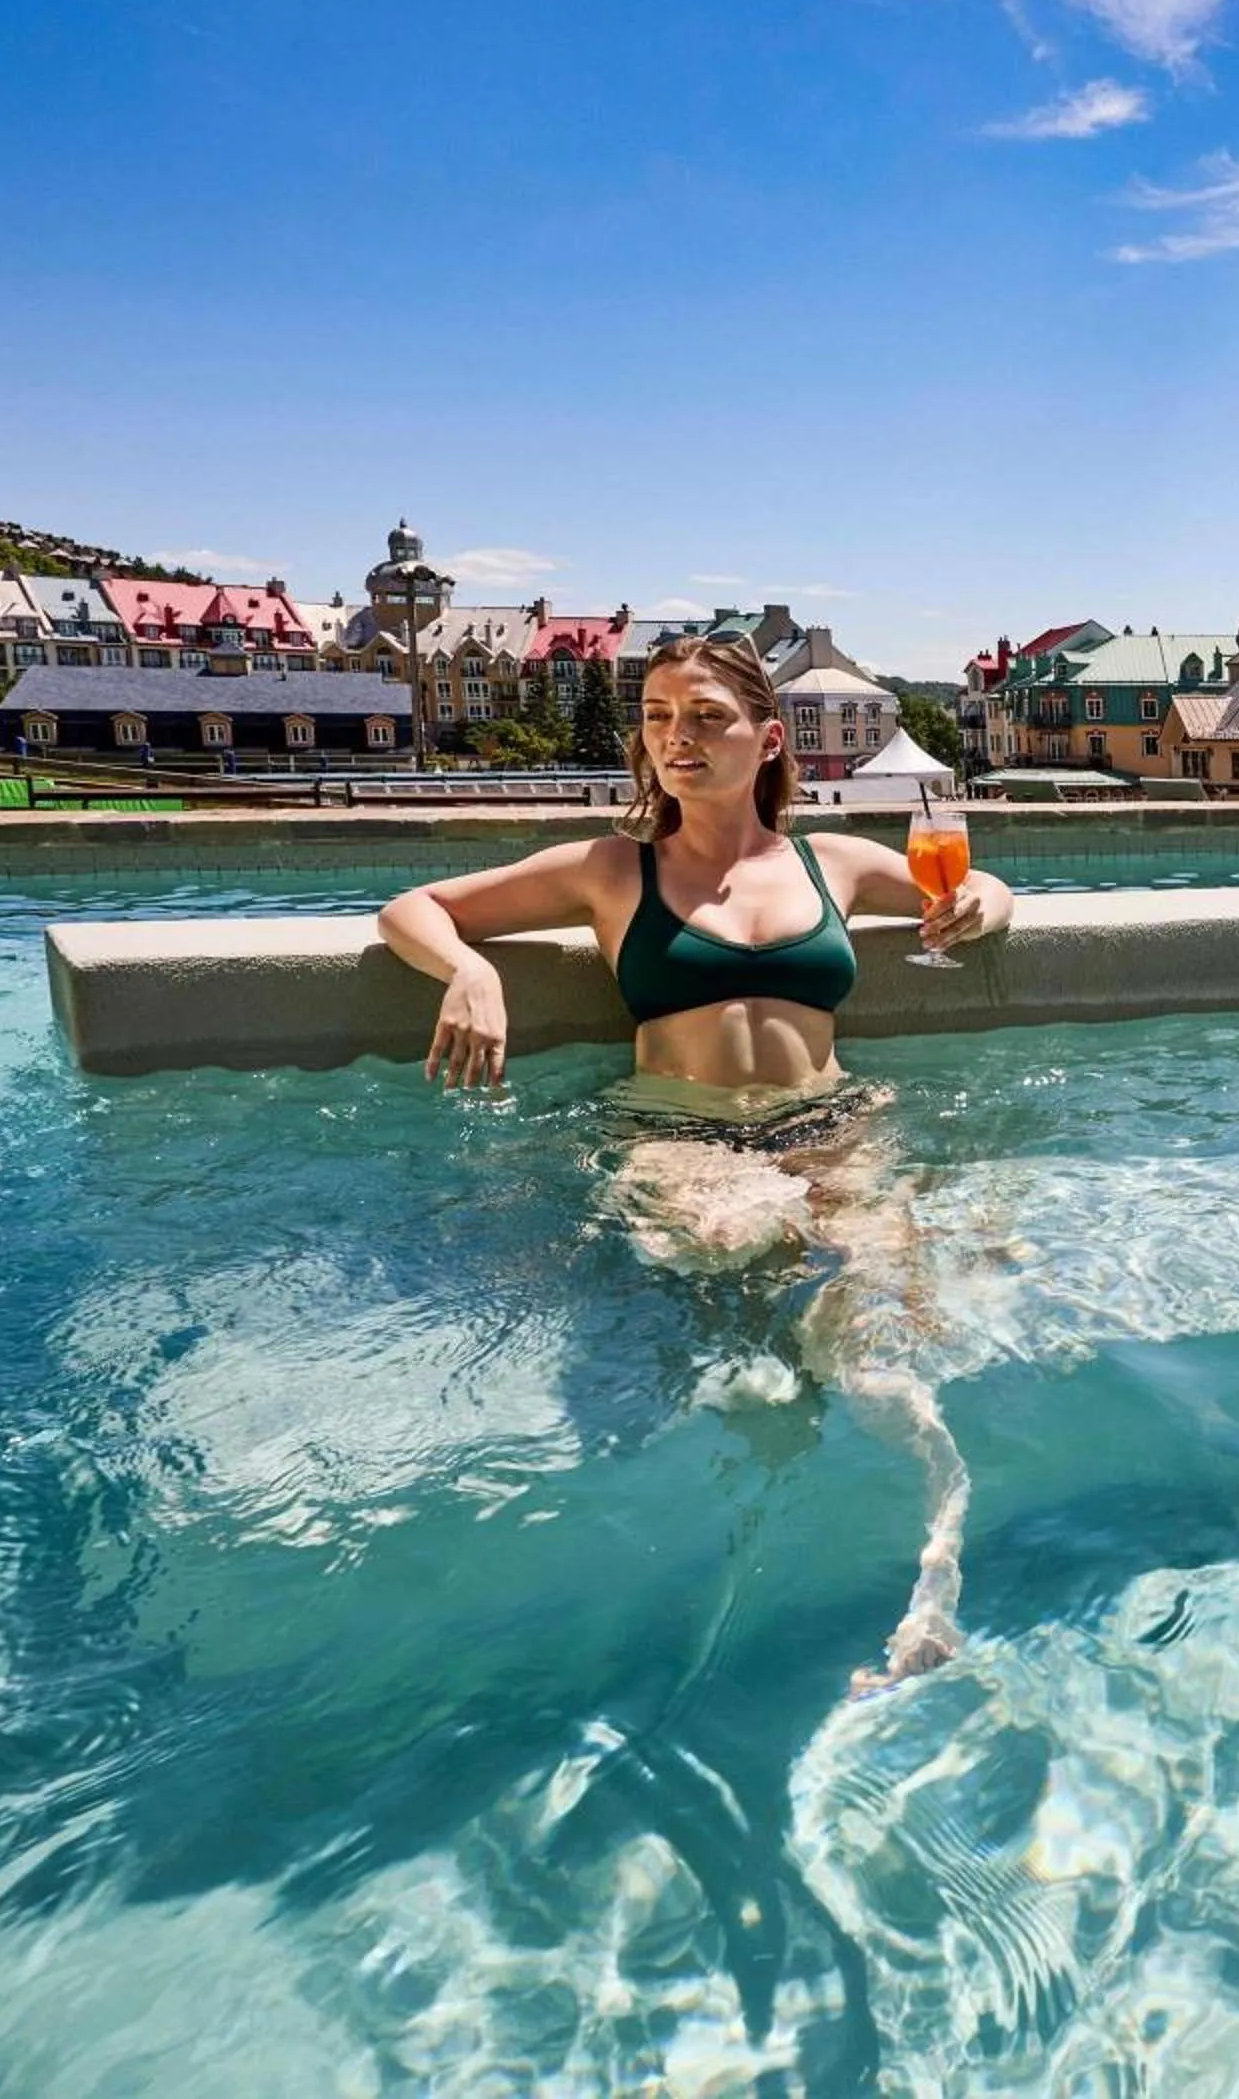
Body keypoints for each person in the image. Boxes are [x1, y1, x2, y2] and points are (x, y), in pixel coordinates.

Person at [377, 635, 1014, 1689]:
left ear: (768, 740)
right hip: (681, 1135)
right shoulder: (610, 867)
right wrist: (467, 973)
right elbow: (417, 907)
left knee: (893, 1322)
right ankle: (762, 1497)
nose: (679, 736)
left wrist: (986, 900)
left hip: (831, 1126)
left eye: (708, 715)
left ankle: (936, 1576)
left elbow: (973, 885)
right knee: (745, 1240)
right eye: (661, 715)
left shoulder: (836, 861)